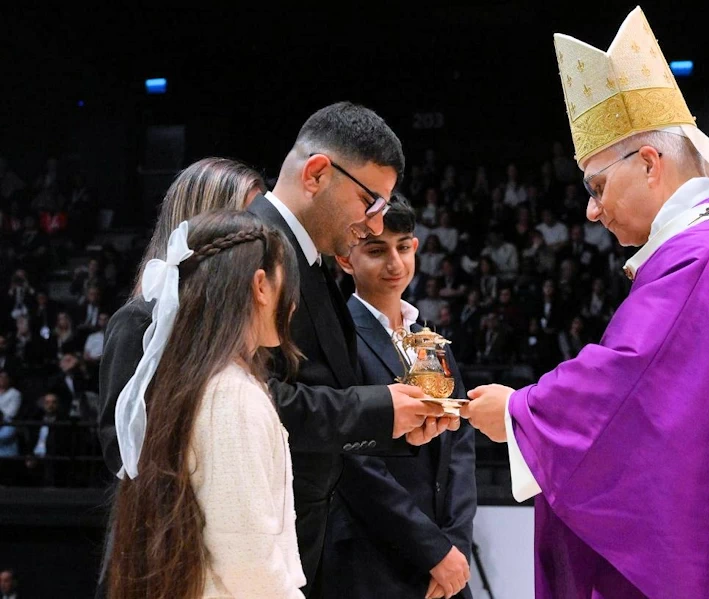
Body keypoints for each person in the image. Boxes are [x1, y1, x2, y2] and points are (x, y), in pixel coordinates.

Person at [462, 8, 709, 597]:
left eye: (596, 187)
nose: (591, 212)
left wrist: (523, 414)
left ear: (648, 163)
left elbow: (631, 382)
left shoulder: (706, 257)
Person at [97, 155, 446, 598]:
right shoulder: (208, 375)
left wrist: (388, 424)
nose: (263, 236)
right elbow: (130, 455)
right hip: (176, 555)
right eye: (250, 223)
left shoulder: (236, 370)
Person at [244, 102, 457, 596]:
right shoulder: (251, 249)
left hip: (302, 531)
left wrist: (394, 423)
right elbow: (245, 399)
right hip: (268, 534)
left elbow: (322, 389)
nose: (376, 224)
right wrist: (380, 408)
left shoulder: (304, 256)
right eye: (370, 202)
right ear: (318, 173)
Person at [109, 211, 305, 598]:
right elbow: (249, 564)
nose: (294, 303)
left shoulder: (196, 379)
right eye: (289, 283)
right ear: (261, 285)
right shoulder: (230, 394)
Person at [324, 198, 476, 599]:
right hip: (374, 561)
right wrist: (432, 550)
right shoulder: (339, 339)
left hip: (446, 565)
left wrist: (456, 544)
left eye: (403, 247)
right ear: (345, 258)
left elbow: (459, 445)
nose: (394, 263)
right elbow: (356, 464)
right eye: (377, 250)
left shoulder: (428, 339)